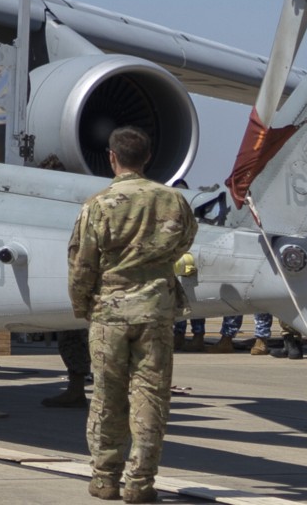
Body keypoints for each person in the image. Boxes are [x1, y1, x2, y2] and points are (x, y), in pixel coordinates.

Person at [67, 126, 198, 503]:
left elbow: (82, 262)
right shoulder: (173, 200)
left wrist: (83, 305)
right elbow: (185, 240)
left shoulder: (98, 204)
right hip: (155, 311)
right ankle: (140, 483)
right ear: (148, 158)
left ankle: (105, 478)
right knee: (151, 397)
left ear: (112, 157)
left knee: (107, 396)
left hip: (109, 312)